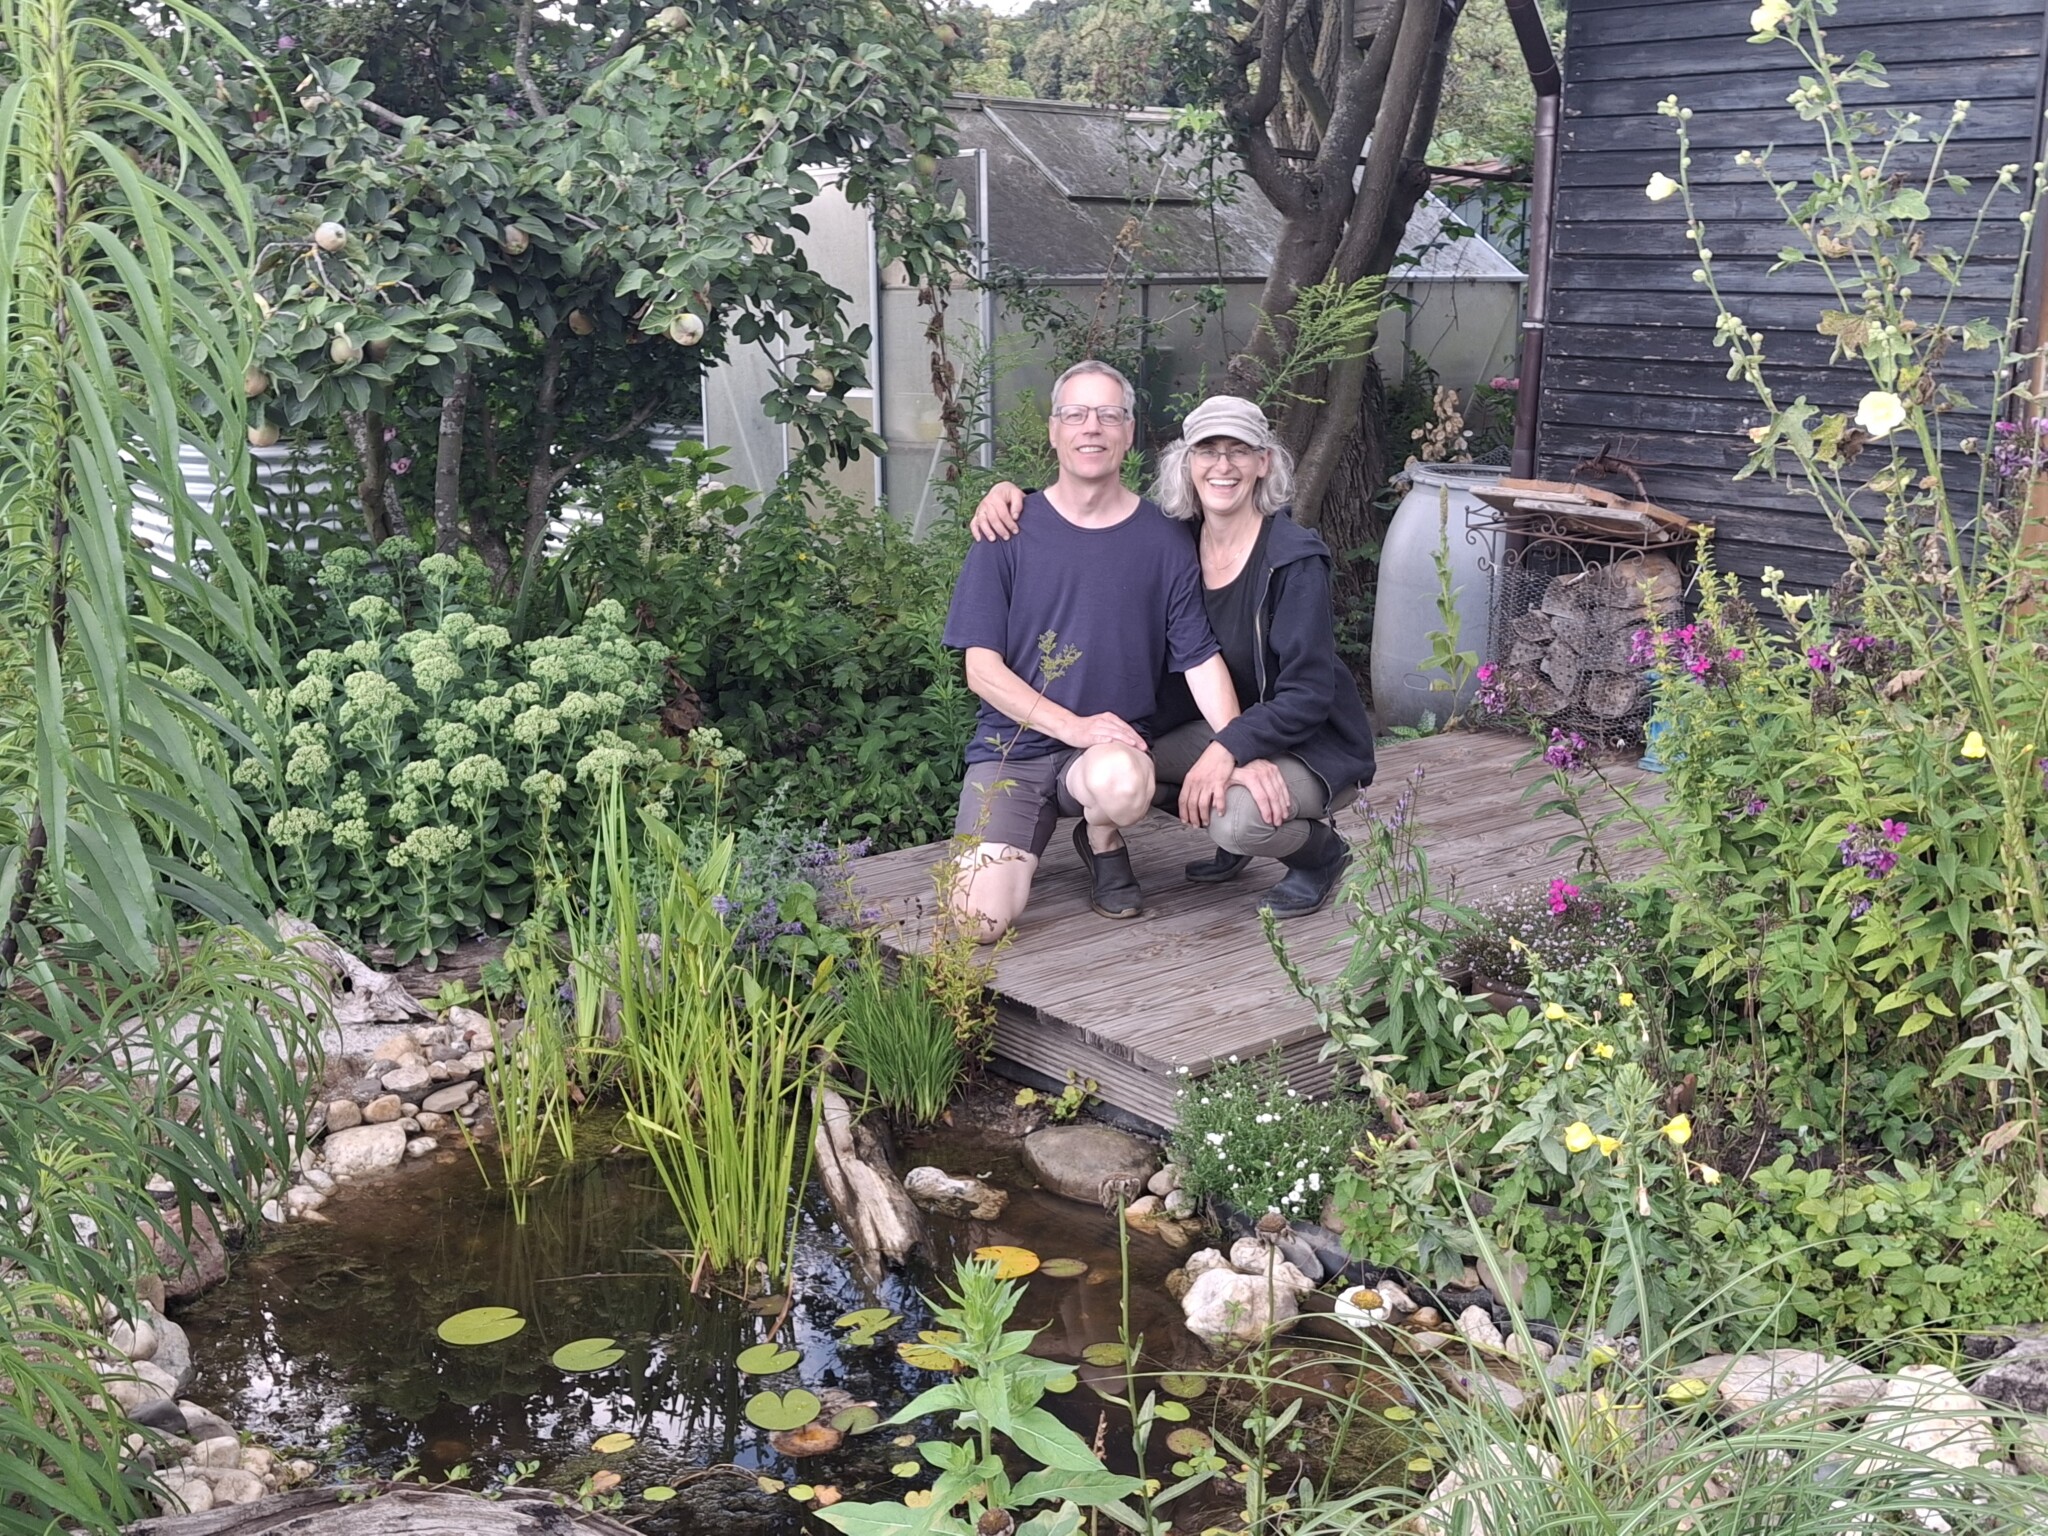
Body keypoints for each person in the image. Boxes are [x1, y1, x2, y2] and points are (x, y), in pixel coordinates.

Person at [970, 394, 1375, 918]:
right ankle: (1104, 840)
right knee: (1124, 772)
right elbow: (1092, 509)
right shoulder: (1175, 538)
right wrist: (1012, 496)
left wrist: (1231, 750)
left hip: (1305, 739)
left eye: (1239, 451)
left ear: (1264, 462)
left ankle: (1320, 855)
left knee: (1241, 818)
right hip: (1216, 727)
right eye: (1208, 451)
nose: (1223, 466)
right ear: (1187, 463)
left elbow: (1309, 693)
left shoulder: (1294, 561)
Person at [942, 361, 1245, 941]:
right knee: (975, 923)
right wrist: (1072, 726)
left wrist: (1240, 746)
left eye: (1109, 415)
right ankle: (1048, 835)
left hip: (1108, 754)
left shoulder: (1165, 539)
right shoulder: (1006, 529)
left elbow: (1199, 658)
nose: (1092, 427)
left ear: (1130, 432)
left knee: (1125, 787)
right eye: (1076, 414)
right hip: (1013, 751)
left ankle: (1102, 837)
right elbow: (980, 670)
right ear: (1054, 430)